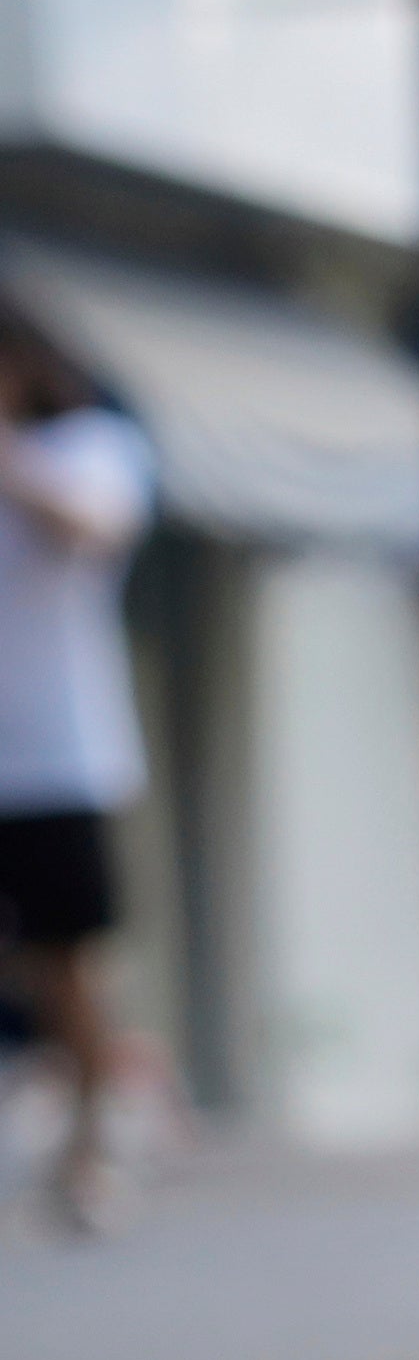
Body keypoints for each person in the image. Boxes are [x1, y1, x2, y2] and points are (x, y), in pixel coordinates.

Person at [0, 297, 156, 1233]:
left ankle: (93, 1140)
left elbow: (93, 528)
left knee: (68, 966)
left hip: (62, 760)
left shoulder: (91, 446)